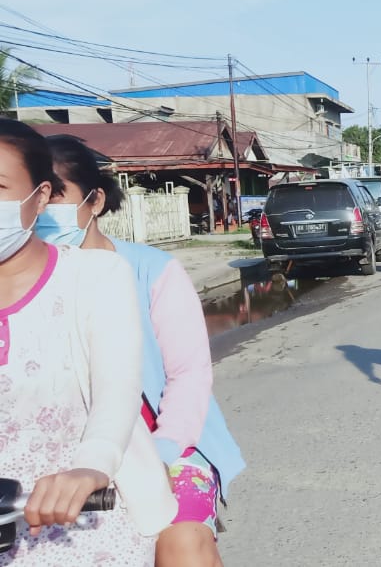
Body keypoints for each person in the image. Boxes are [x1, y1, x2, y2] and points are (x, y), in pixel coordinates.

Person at [36, 135, 247, 566]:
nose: (42, 212)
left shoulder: (151, 270)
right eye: (35, 197)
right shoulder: (20, 282)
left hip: (164, 447)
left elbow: (188, 375)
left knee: (183, 544)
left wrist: (161, 453)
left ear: (94, 201)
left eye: (55, 197)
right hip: (54, 454)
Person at [0, 119, 176, 564]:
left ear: (39, 197)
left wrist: (90, 468)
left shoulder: (97, 276)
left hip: (83, 526)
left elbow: (116, 394)